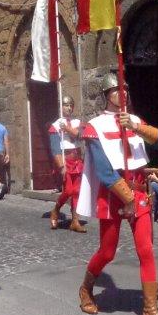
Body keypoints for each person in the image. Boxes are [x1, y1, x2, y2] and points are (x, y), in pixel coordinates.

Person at [76, 73, 158, 315]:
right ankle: (86, 288)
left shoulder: (134, 120)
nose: (121, 93)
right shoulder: (94, 127)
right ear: (106, 95)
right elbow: (104, 171)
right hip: (114, 195)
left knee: (146, 250)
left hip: (140, 193)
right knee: (107, 252)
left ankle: (150, 312)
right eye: (115, 90)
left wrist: (136, 127)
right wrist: (129, 199)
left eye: (124, 89)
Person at [47, 95, 86, 233]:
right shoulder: (55, 125)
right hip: (65, 160)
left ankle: (75, 220)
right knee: (68, 190)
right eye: (66, 105)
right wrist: (61, 166)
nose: (69, 108)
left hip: (77, 160)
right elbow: (55, 148)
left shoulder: (77, 122)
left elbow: (81, 136)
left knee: (77, 191)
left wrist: (68, 129)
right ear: (61, 107)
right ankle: (56, 210)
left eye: (71, 105)